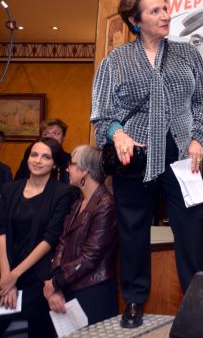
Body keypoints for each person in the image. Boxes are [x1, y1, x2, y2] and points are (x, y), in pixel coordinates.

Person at [91, 0, 203, 328]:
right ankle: (133, 301)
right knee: (133, 229)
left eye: (165, 8)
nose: (165, 15)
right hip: (136, 154)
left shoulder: (188, 54)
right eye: (155, 10)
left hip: (181, 153)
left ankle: (199, 301)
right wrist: (118, 134)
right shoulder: (116, 60)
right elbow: (102, 111)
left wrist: (198, 139)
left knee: (191, 228)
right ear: (135, 20)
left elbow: (202, 105)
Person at [0, 138, 75, 337]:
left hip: (38, 274)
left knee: (39, 326)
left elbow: (50, 239)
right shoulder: (9, 189)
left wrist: (14, 276)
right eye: (34, 155)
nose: (38, 161)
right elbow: (2, 232)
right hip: (5, 268)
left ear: (55, 163)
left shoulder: (63, 193)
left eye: (46, 157)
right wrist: (6, 277)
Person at [43, 145, 118, 325]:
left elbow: (90, 257)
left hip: (93, 291)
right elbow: (62, 242)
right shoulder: (79, 202)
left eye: (72, 164)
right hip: (70, 286)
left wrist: (56, 283)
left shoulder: (106, 205)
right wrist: (56, 283)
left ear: (84, 170)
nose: (67, 168)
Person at [14, 118, 71, 183]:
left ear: (63, 137)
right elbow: (19, 182)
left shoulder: (70, 160)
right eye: (46, 134)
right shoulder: (31, 157)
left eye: (56, 133)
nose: (50, 137)